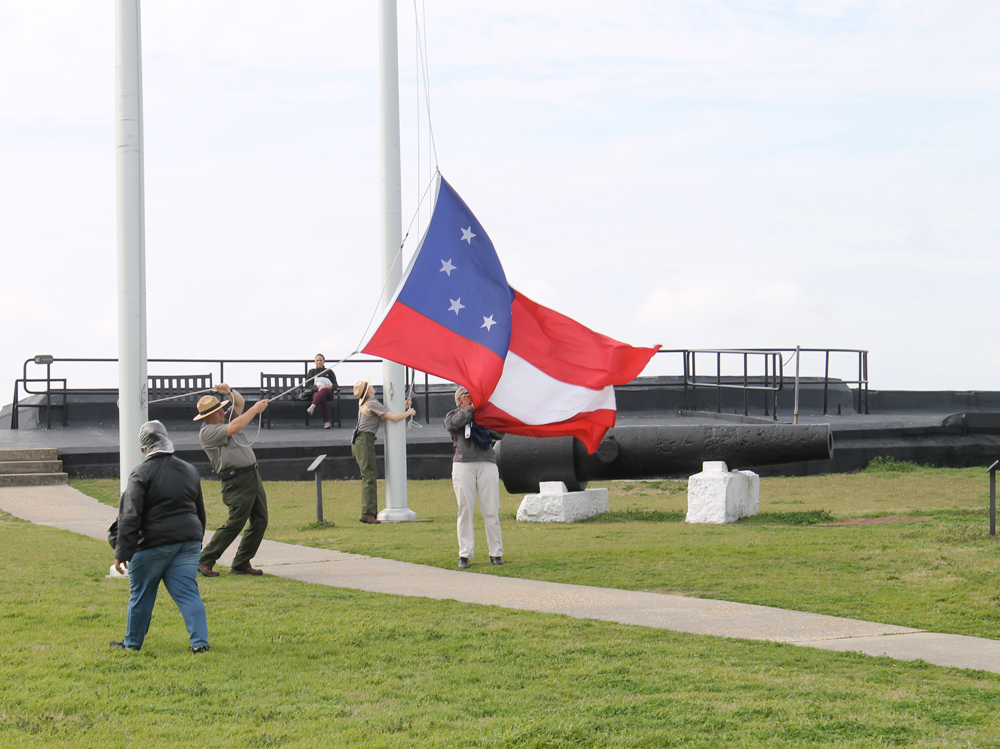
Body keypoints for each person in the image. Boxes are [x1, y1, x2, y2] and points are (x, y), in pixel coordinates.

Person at [109, 420, 210, 653]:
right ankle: (200, 644)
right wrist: (197, 540)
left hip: (152, 545)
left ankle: (132, 644)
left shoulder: (140, 473)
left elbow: (130, 516)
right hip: (188, 540)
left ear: (144, 449)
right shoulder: (189, 470)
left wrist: (122, 551)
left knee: (141, 595)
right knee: (187, 592)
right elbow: (199, 511)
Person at [194, 384, 270, 577]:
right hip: (236, 480)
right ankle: (205, 559)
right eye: (218, 411)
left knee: (260, 520)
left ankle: (242, 561)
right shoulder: (208, 432)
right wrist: (255, 410)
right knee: (235, 522)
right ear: (208, 417)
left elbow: (240, 402)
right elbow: (235, 426)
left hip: (251, 475)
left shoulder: (224, 420)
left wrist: (228, 391)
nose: (222, 412)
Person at [443, 386, 504, 569]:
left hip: (486, 462)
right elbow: (453, 425)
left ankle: (496, 552)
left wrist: (482, 416)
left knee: (491, 508)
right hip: (463, 464)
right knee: (465, 510)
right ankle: (465, 553)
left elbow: (499, 432)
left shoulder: (483, 415)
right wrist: (470, 410)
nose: (471, 398)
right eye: (467, 396)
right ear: (459, 399)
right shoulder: (453, 415)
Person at [351, 378, 415, 524]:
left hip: (360, 441)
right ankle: (368, 513)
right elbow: (392, 417)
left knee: (368, 475)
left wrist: (403, 406)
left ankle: (369, 511)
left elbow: (387, 413)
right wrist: (409, 412)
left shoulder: (368, 404)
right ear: (368, 391)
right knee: (369, 476)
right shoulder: (372, 403)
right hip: (365, 441)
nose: (373, 386)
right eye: (370, 386)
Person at [305, 353, 338, 429]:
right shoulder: (312, 372)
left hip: (328, 393)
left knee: (325, 390)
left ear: (324, 361)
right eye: (317, 360)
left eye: (320, 360)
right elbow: (308, 385)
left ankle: (312, 407)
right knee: (321, 398)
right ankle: (326, 422)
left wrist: (331, 387)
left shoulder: (329, 372)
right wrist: (317, 389)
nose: (319, 362)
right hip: (316, 393)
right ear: (315, 362)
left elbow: (336, 385)